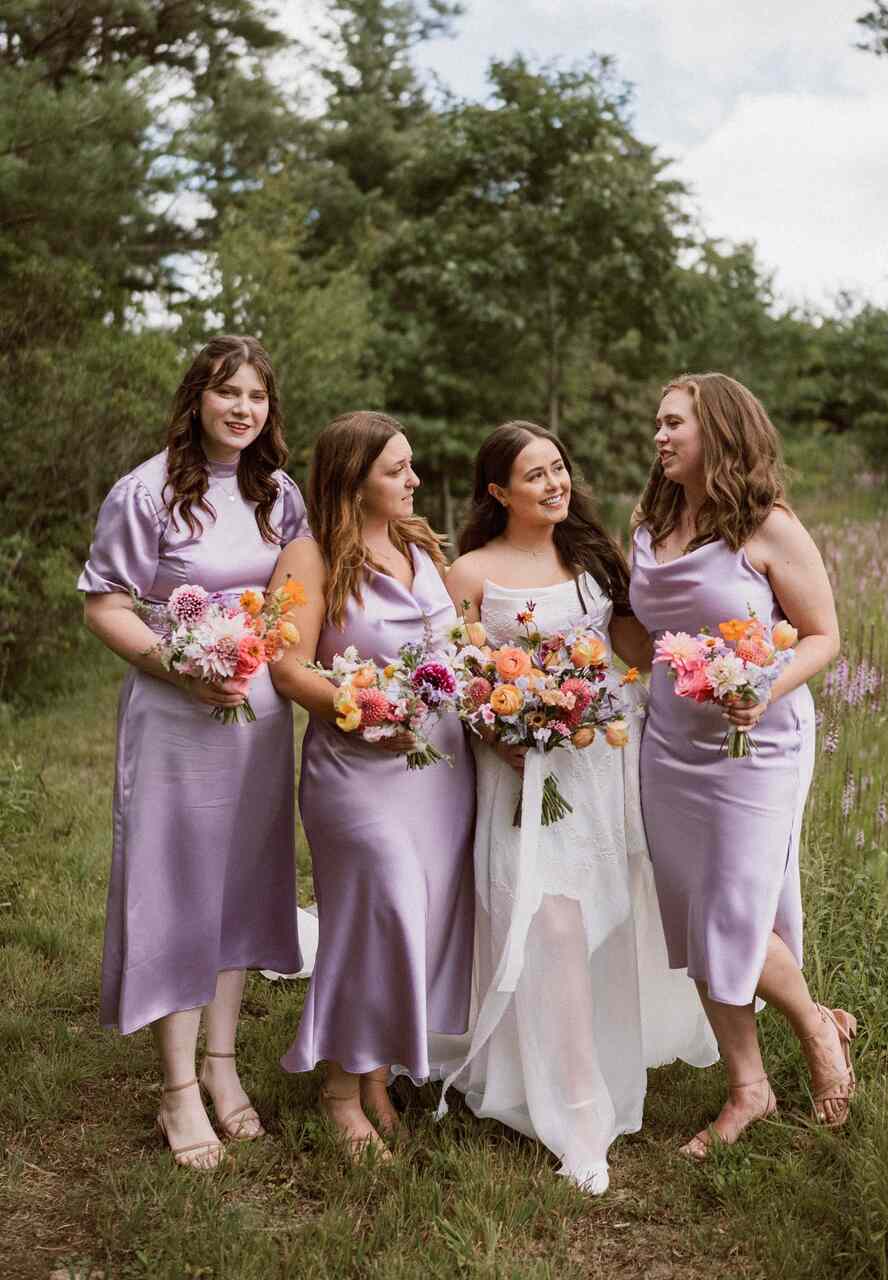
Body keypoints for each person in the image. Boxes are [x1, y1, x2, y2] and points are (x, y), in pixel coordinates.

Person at [438, 421, 716, 1196]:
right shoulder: (468, 574)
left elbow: (633, 652)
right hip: (519, 778)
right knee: (548, 923)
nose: (555, 484)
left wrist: (714, 657)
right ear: (498, 493)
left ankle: (600, 1068)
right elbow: (458, 678)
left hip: (597, 770)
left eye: (558, 467)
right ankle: (576, 1115)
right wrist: (500, 731)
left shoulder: (592, 558)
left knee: (605, 918)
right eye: (535, 475)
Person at [78, 335, 308, 1169]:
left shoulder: (279, 495)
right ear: (197, 400)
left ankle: (222, 1064)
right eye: (226, 394)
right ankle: (177, 1088)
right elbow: (104, 603)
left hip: (258, 718)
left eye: (255, 396)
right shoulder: (145, 494)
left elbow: (294, 600)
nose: (242, 409)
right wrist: (177, 665)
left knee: (241, 883)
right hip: (176, 716)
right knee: (177, 886)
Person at [629, 372, 855, 1159]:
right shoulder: (651, 522)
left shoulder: (769, 527)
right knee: (695, 914)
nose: (658, 437)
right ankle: (747, 1088)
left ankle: (816, 1030)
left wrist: (761, 686)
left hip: (756, 745)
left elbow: (822, 635)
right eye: (656, 425)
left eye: (672, 425)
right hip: (669, 743)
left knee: (732, 909)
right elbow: (638, 633)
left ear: (718, 433)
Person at [268, 411, 475, 1160]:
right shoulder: (309, 554)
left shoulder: (418, 543)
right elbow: (286, 667)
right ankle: (336, 1089)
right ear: (353, 478)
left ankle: (376, 1075)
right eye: (397, 470)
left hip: (438, 768)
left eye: (410, 466)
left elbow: (460, 645)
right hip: (356, 767)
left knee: (411, 920)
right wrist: (356, 707)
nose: (413, 480)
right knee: (376, 908)